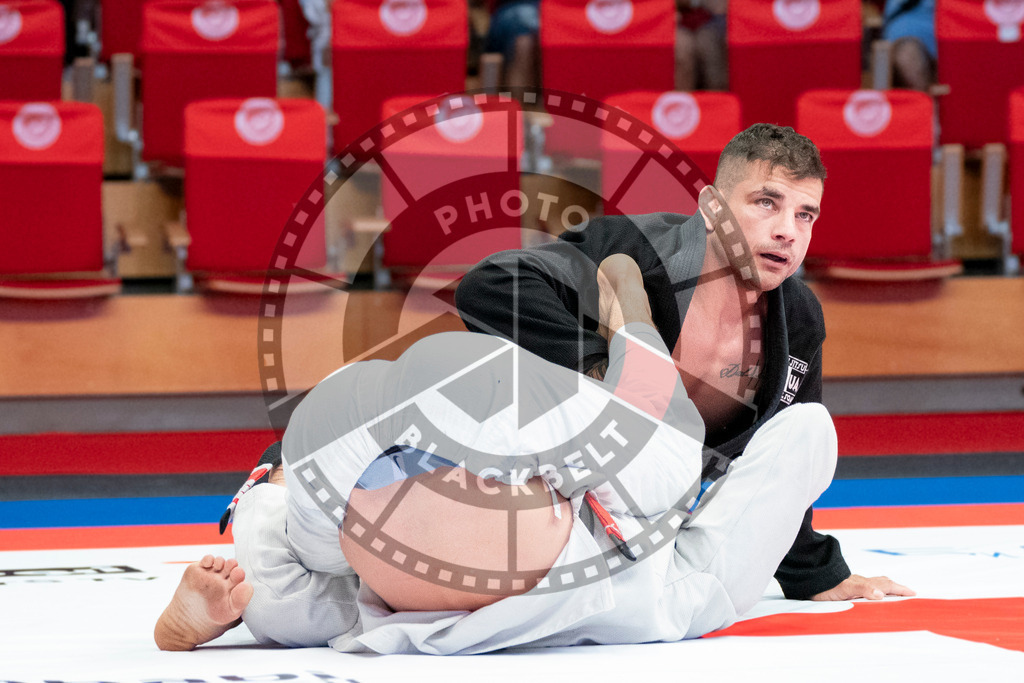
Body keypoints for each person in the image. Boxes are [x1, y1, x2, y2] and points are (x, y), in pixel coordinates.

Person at [156, 254, 844, 654]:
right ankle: (632, 331)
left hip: (379, 542)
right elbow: (794, 442)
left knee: (281, 577)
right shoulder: (673, 582)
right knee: (773, 441)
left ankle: (268, 493)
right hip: (467, 560)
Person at [455, 123, 915, 603]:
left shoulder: (797, 315)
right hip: (560, 491)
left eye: (805, 215)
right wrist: (598, 370)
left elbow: (780, 456)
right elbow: (490, 284)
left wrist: (816, 574)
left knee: (808, 425)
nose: (787, 231)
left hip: (665, 523)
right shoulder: (630, 247)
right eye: (766, 203)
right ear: (713, 207)